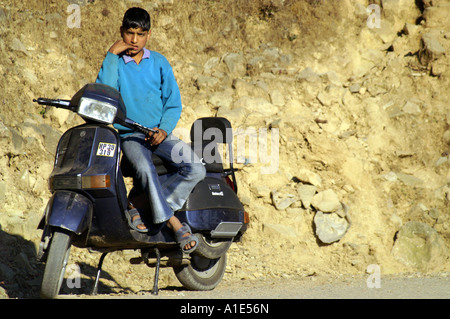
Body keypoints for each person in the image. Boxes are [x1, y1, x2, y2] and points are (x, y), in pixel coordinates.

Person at [95, 7, 205, 253]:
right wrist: (111, 55)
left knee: (196, 167)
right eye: (129, 33)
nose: (134, 40)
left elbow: (173, 103)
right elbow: (104, 93)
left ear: (149, 35)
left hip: (159, 135)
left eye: (140, 34)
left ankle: (138, 205)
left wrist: (164, 130)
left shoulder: (159, 62)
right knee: (144, 168)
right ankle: (174, 223)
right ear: (121, 32)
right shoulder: (115, 63)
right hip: (130, 135)